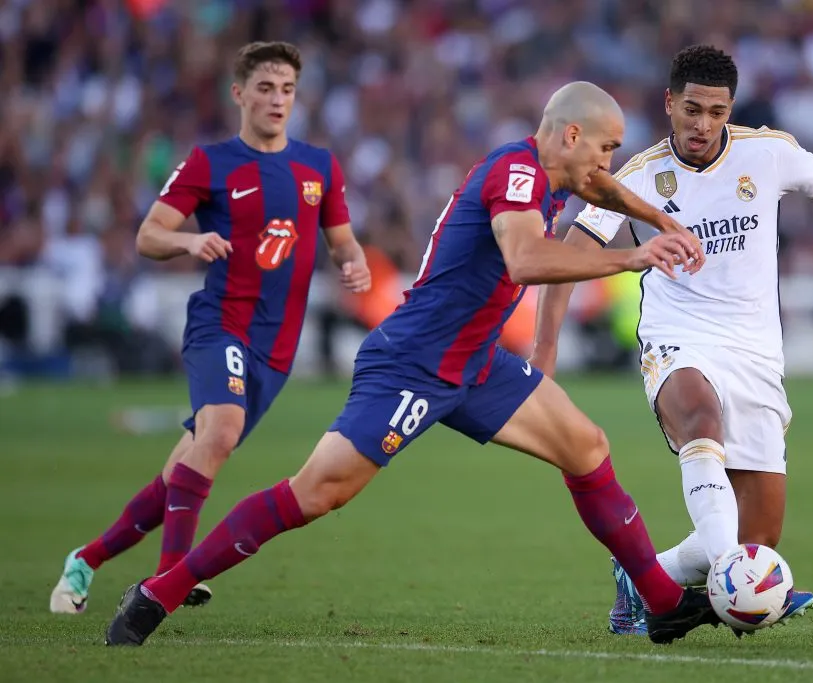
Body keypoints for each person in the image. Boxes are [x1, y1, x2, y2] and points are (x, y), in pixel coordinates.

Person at [104, 81, 716, 647]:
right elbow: (527, 260)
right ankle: (161, 591)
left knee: (587, 447)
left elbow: (599, 188)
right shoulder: (518, 174)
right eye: (607, 147)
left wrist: (659, 219)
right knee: (316, 493)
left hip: (475, 363)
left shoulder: (555, 171)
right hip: (414, 364)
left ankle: (661, 602)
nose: (609, 163)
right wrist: (633, 259)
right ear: (572, 136)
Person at [529, 45, 813, 635]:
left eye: (716, 112)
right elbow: (573, 252)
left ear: (731, 109)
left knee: (760, 539)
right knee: (702, 425)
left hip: (755, 351)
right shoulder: (640, 174)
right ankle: (730, 575)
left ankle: (644, 575)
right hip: (678, 338)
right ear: (669, 104)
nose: (702, 125)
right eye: (692, 109)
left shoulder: (769, 154)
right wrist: (544, 353)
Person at [50, 41, 371, 614]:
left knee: (183, 472)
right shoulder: (210, 163)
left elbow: (341, 238)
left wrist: (355, 261)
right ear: (239, 93)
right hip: (219, 327)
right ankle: (166, 580)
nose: (277, 100)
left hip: (275, 351)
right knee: (218, 434)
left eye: (287, 89)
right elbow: (149, 234)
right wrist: (188, 240)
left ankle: (87, 559)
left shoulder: (319, 167)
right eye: (266, 88)